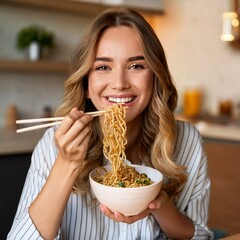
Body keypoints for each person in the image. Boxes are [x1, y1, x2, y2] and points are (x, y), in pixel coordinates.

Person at [7, 8, 213, 240]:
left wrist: (160, 204)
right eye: (103, 67)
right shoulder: (56, 144)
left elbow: (201, 237)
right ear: (85, 83)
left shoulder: (186, 141)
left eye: (136, 66)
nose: (119, 84)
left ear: (155, 76)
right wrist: (66, 164)